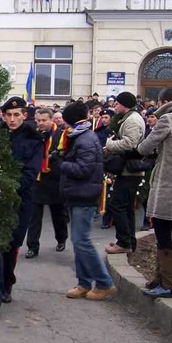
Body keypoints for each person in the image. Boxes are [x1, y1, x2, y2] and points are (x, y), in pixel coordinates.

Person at [0, 97, 43, 314]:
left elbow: (30, 173)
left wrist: (8, 187)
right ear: (3, 115)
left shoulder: (34, 140)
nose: (12, 119)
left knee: (11, 246)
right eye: (8, 115)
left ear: (25, 116)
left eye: (17, 115)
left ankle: (7, 282)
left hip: (20, 200)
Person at [133, 87, 172, 299]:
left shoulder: (168, 119)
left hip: (168, 178)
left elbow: (144, 148)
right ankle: (159, 278)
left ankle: (167, 284)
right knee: (163, 229)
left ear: (165, 101)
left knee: (162, 231)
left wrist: (144, 143)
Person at [59, 101, 117, 301]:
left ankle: (104, 283)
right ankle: (84, 282)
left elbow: (84, 169)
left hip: (84, 194)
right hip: (78, 194)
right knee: (78, 241)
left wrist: (63, 164)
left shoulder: (85, 139)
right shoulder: (81, 136)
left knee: (81, 240)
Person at [104, 91, 146, 255]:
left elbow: (129, 143)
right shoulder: (130, 118)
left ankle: (124, 242)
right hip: (128, 169)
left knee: (118, 205)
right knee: (126, 207)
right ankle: (129, 241)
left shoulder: (133, 120)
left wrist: (109, 145)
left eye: (117, 104)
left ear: (124, 104)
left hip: (130, 170)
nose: (114, 106)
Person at [26, 108, 68, 258]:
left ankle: (61, 238)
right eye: (38, 120)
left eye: (44, 120)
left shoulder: (61, 135)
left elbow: (65, 157)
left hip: (54, 179)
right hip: (37, 179)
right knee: (34, 216)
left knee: (58, 214)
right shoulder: (34, 135)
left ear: (51, 120)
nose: (40, 123)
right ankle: (32, 246)